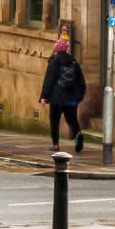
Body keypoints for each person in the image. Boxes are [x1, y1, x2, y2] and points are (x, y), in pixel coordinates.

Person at [40, 20, 87, 154]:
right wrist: (80, 96)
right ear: (66, 49)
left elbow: (49, 80)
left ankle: (55, 145)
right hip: (71, 98)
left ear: (56, 49)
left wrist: (44, 96)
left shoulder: (54, 62)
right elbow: (81, 81)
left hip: (57, 98)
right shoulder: (73, 62)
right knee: (71, 118)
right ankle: (78, 134)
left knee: (54, 121)